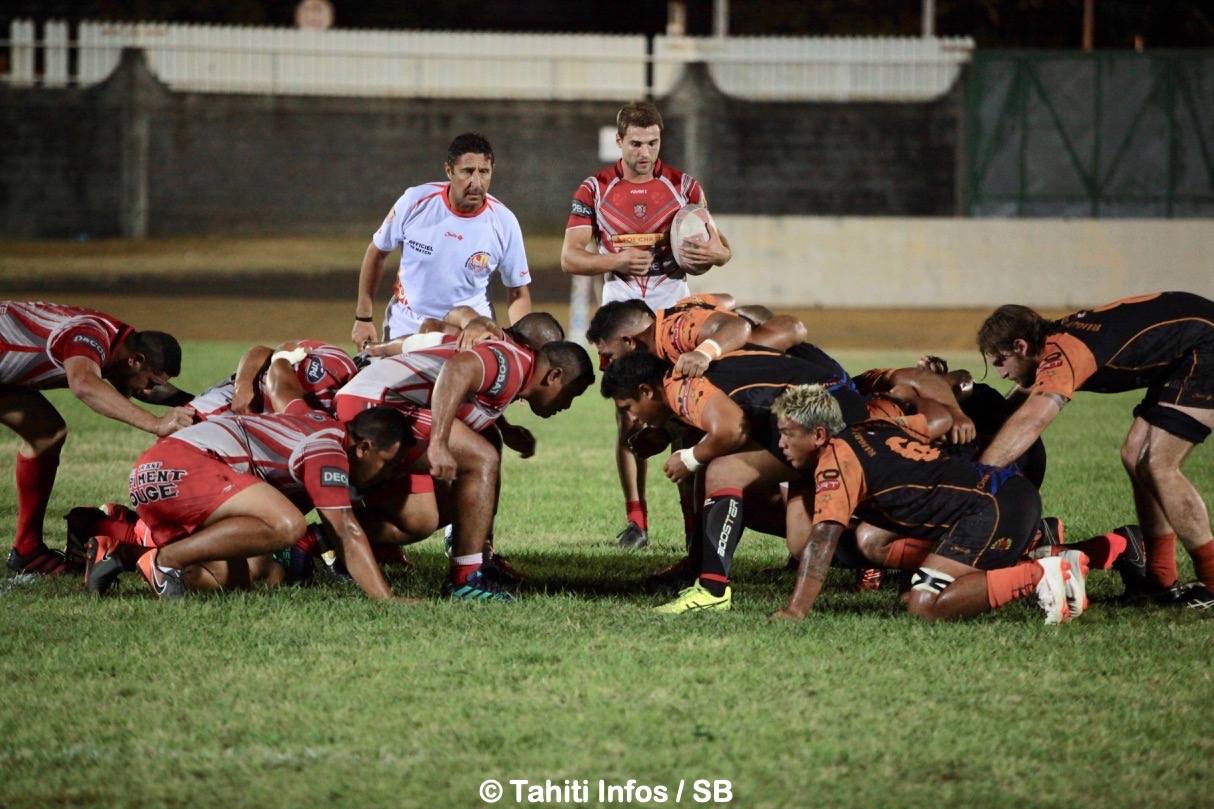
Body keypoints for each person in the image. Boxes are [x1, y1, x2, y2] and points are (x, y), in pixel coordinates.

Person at [85, 354, 417, 603]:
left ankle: (123, 553)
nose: (389, 472)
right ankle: (165, 558)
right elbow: (343, 528)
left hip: (154, 476)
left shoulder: (310, 418)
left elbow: (282, 383)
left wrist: (286, 357)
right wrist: (385, 598)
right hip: (185, 465)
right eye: (389, 462)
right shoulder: (329, 448)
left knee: (262, 573)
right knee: (288, 525)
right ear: (363, 447)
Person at [561, 101, 731, 552]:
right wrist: (616, 259)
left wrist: (708, 256)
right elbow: (570, 256)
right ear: (619, 141)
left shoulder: (684, 186)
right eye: (636, 143)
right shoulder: (594, 189)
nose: (645, 152)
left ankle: (693, 528)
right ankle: (636, 520)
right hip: (622, 318)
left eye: (652, 143)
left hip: (675, 314)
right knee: (627, 414)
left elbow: (722, 250)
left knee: (682, 413)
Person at [769, 384, 1084, 624]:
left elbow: (821, 542)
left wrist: (795, 610)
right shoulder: (875, 427)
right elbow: (938, 419)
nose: (781, 443)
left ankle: (1041, 574)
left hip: (989, 509)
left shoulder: (835, 462)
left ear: (819, 434)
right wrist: (912, 397)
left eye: (787, 433)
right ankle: (1060, 556)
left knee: (923, 606)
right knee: (872, 540)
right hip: (1005, 492)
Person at [976, 292, 1214, 608]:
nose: (1002, 373)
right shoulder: (1054, 341)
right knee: (1135, 455)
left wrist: (976, 478)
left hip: (1205, 344)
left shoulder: (1065, 352)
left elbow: (1032, 421)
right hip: (1188, 347)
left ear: (1020, 346)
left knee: (1159, 465)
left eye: (1000, 362)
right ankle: (1160, 579)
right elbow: (1023, 399)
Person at [600, 348, 869, 612]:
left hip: (823, 413)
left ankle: (712, 590)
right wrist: (666, 434)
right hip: (828, 408)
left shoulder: (679, 386)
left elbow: (732, 431)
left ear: (647, 391)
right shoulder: (684, 383)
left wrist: (691, 458)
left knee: (721, 471)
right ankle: (894, 552)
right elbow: (740, 407)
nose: (633, 418)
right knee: (800, 542)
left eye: (629, 407)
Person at [336, 338, 596, 600]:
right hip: (375, 406)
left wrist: (505, 429)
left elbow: (469, 389)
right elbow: (456, 370)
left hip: (378, 401)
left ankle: (318, 539)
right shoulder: (511, 364)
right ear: (554, 375)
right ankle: (466, 578)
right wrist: (438, 442)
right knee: (482, 458)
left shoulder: (515, 366)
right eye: (571, 394)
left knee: (421, 520)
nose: (567, 405)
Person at [0, 301, 193, 574]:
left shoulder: (116, 346)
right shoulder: (91, 333)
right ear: (135, 360)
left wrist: (195, 404)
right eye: (150, 381)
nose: (150, 390)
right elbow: (84, 384)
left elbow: (138, 387)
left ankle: (27, 549)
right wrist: (156, 423)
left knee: (46, 433)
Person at [352, 132, 532, 349]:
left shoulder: (504, 222)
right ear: (449, 170)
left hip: (470, 332)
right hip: (407, 324)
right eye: (467, 172)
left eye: (484, 172)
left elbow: (517, 292)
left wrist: (522, 346)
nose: (476, 182)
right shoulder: (415, 202)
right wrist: (363, 318)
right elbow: (377, 252)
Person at [188, 340, 358, 420]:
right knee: (182, 426)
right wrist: (244, 385)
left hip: (272, 432)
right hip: (242, 402)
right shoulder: (336, 360)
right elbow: (266, 352)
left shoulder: (348, 421)